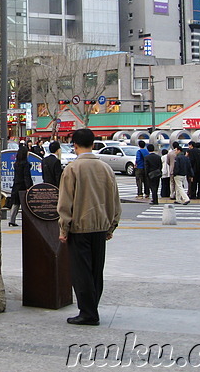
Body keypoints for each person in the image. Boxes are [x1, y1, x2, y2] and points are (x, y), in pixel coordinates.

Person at [57, 128, 121, 326]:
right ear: (93, 144)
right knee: (96, 270)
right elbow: (114, 201)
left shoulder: (72, 169)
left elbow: (65, 202)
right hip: (100, 227)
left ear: (74, 145)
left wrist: (63, 228)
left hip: (79, 227)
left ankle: (88, 312)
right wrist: (111, 226)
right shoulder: (106, 169)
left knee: (81, 271)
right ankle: (92, 308)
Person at [8, 145, 33, 227]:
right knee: (25, 205)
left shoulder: (16, 163)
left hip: (16, 185)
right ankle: (27, 221)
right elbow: (26, 176)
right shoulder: (25, 164)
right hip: (23, 186)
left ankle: (12, 220)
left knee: (16, 203)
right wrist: (29, 186)